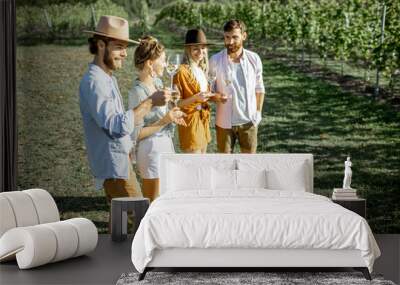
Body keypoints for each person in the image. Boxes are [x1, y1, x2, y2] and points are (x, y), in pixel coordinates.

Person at [79, 16, 170, 231]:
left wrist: (128, 147)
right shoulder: (95, 82)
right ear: (101, 45)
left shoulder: (107, 77)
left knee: (118, 221)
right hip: (113, 166)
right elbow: (115, 125)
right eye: (119, 47)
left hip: (119, 159)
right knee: (141, 220)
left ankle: (111, 259)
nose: (125, 53)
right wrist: (149, 102)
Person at [128, 36, 186, 202]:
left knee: (166, 198)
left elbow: (162, 115)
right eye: (163, 60)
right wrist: (166, 120)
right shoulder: (137, 93)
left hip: (165, 145)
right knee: (153, 202)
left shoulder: (158, 83)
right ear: (149, 63)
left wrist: (173, 112)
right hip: (151, 150)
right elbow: (136, 134)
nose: (166, 64)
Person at [209, 20, 265, 153]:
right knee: (224, 165)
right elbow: (208, 90)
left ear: (244, 36)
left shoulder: (254, 59)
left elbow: (259, 88)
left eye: (235, 37)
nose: (230, 42)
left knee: (249, 164)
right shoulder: (215, 60)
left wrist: (258, 113)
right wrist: (215, 96)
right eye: (227, 37)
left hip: (249, 122)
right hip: (224, 123)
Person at [174, 29, 226, 153]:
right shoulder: (181, 71)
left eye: (203, 48)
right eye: (195, 48)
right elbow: (176, 104)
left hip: (203, 121)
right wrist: (196, 98)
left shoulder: (201, 70)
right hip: (190, 122)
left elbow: (203, 96)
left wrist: (216, 97)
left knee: (202, 164)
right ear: (188, 50)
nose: (200, 52)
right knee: (194, 166)